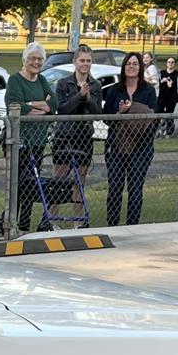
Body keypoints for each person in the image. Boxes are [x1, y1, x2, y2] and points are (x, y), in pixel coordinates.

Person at [4, 43, 57, 232]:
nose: (36, 62)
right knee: (16, 182)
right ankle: (10, 222)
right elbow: (14, 105)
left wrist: (31, 105)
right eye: (32, 58)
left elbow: (55, 104)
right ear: (24, 60)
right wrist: (41, 106)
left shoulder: (42, 81)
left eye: (39, 59)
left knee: (30, 183)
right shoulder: (15, 80)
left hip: (38, 141)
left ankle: (25, 224)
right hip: (19, 141)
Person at [104, 51, 158, 226]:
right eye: (128, 64)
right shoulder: (115, 90)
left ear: (140, 67)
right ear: (123, 67)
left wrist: (133, 109)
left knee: (135, 189)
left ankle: (132, 226)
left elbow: (153, 118)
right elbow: (106, 117)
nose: (132, 67)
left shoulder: (148, 90)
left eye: (135, 64)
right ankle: (112, 226)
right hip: (116, 146)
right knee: (115, 188)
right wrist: (120, 114)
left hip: (141, 147)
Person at [51, 44, 102, 226]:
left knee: (79, 181)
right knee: (58, 180)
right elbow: (63, 109)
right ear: (74, 62)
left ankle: (78, 222)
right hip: (64, 136)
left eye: (88, 61)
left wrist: (88, 97)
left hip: (84, 137)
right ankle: (53, 220)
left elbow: (98, 112)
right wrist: (79, 95)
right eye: (82, 60)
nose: (85, 64)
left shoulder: (95, 85)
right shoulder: (64, 83)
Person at [158, 56, 178, 135]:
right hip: (162, 97)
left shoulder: (177, 74)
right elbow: (157, 85)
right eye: (169, 62)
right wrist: (162, 81)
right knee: (158, 112)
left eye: (172, 62)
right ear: (166, 64)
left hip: (171, 98)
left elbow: (177, 87)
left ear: (174, 64)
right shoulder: (162, 73)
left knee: (170, 114)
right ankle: (158, 130)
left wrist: (171, 85)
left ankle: (169, 132)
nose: (170, 64)